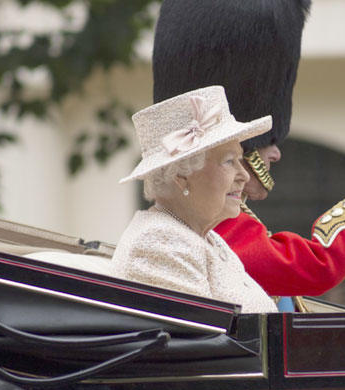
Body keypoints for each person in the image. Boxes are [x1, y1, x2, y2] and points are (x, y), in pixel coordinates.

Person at [153, 0, 345, 304]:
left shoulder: (213, 218)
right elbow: (314, 266)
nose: (277, 154)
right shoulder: (210, 225)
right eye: (268, 140)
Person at [112, 86, 278, 313]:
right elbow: (207, 344)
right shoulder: (161, 243)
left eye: (240, 160)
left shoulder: (206, 238)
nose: (245, 176)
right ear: (181, 176)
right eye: (229, 161)